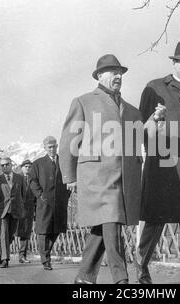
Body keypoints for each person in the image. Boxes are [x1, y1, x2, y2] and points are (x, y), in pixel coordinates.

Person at [59, 54, 143, 284]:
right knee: (112, 219)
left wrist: (156, 120)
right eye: (113, 72)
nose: (118, 76)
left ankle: (84, 277)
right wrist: (69, 175)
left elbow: (142, 137)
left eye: (120, 73)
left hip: (122, 178)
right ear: (99, 76)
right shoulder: (83, 101)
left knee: (102, 226)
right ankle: (121, 279)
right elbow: (69, 141)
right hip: (95, 176)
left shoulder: (130, 109)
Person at [135, 42, 180, 284]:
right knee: (155, 220)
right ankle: (141, 267)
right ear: (174, 63)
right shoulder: (154, 88)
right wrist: (156, 121)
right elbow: (140, 130)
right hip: (163, 165)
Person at [29, 136, 70, 270]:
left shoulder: (64, 162)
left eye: (54, 146)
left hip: (60, 202)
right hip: (44, 202)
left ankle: (45, 254)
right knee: (43, 231)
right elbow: (32, 181)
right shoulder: (38, 164)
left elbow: (70, 178)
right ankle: (45, 260)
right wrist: (40, 195)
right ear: (45, 148)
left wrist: (66, 195)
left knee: (56, 229)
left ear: (57, 146)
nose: (52, 149)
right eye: (49, 147)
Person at [0, 157, 25, 268]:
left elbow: (23, 194)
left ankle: (2, 254)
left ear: (11, 165)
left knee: (10, 236)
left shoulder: (20, 178)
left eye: (7, 164)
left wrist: (20, 206)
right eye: (2, 165)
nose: (4, 167)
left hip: (16, 210)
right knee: (4, 234)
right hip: (2, 211)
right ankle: (6, 259)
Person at [16, 159, 36, 263]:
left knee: (26, 232)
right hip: (18, 209)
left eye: (29, 167)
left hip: (29, 209)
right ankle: (3, 256)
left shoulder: (34, 179)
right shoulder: (17, 178)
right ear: (21, 167)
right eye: (26, 167)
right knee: (12, 232)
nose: (28, 169)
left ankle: (22, 256)